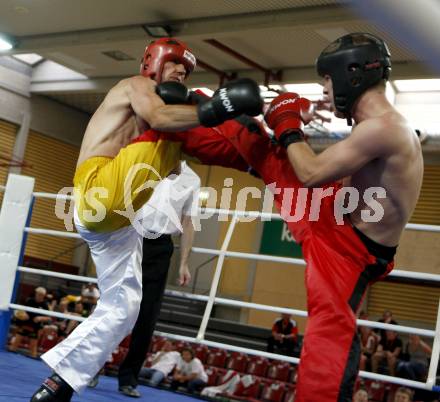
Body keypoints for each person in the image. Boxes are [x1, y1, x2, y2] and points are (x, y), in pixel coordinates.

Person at [155, 32, 422, 402]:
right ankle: (183, 117)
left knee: (328, 335)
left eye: (326, 80)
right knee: (259, 144)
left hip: (349, 249)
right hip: (335, 215)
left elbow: (311, 171)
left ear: (351, 74)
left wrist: (288, 124)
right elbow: (317, 170)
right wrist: (291, 124)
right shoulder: (377, 125)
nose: (325, 90)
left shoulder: (383, 128)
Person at [30, 37, 263, 402]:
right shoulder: (135, 86)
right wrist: (218, 106)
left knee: (125, 307)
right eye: (175, 66)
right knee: (176, 131)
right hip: (98, 192)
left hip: (120, 220)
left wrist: (254, 145)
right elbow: (157, 116)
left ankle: (59, 384)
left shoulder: (169, 115)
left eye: (186, 72)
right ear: (153, 62)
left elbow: (190, 133)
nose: (180, 74)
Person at [116, 161, 200, 398]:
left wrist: (184, 262)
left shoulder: (192, 179)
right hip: (130, 237)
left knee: (147, 315)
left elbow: (188, 222)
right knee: (114, 306)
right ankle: (91, 367)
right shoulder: (144, 161)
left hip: (161, 247)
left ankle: (128, 378)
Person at [10, 287, 52, 358]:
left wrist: (41, 318)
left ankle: (33, 359)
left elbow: (48, 318)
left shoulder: (45, 305)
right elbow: (20, 310)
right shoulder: (29, 301)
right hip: (24, 324)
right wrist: (23, 314)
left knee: (33, 347)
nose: (38, 296)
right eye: (37, 294)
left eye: (40, 294)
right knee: (15, 343)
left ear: (43, 295)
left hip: (34, 327)